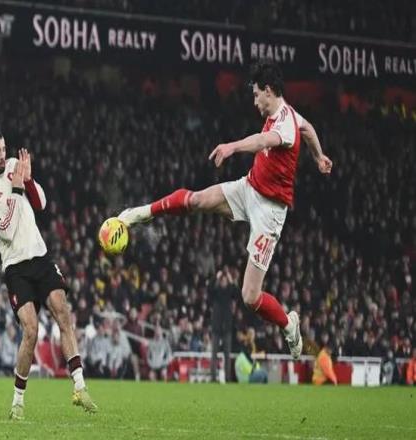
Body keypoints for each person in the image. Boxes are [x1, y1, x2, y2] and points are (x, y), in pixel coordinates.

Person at [118, 60, 333, 359]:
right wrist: (319, 156)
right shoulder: (291, 116)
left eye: (256, 95)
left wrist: (232, 147)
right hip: (249, 188)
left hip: (270, 213)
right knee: (196, 200)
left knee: (250, 296)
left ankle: (288, 324)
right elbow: (307, 128)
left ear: (268, 91)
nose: (255, 101)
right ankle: (139, 214)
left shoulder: (284, 124)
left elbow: (262, 140)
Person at [0, 127, 96, 420]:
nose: (3, 155)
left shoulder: (14, 166)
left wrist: (27, 180)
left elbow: (41, 203)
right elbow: (6, 230)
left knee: (63, 313)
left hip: (40, 256)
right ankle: (18, 402)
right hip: (16, 267)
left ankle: (80, 387)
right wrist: (16, 189)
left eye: (4, 149)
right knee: (31, 330)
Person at [209, 269, 237, 382]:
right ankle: (213, 378)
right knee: (214, 354)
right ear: (220, 282)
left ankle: (228, 378)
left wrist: (231, 280)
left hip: (227, 328)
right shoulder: (216, 293)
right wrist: (215, 277)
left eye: (225, 281)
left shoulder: (229, 293)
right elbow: (210, 289)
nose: (224, 282)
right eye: (222, 281)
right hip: (216, 327)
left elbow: (236, 293)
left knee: (227, 355)